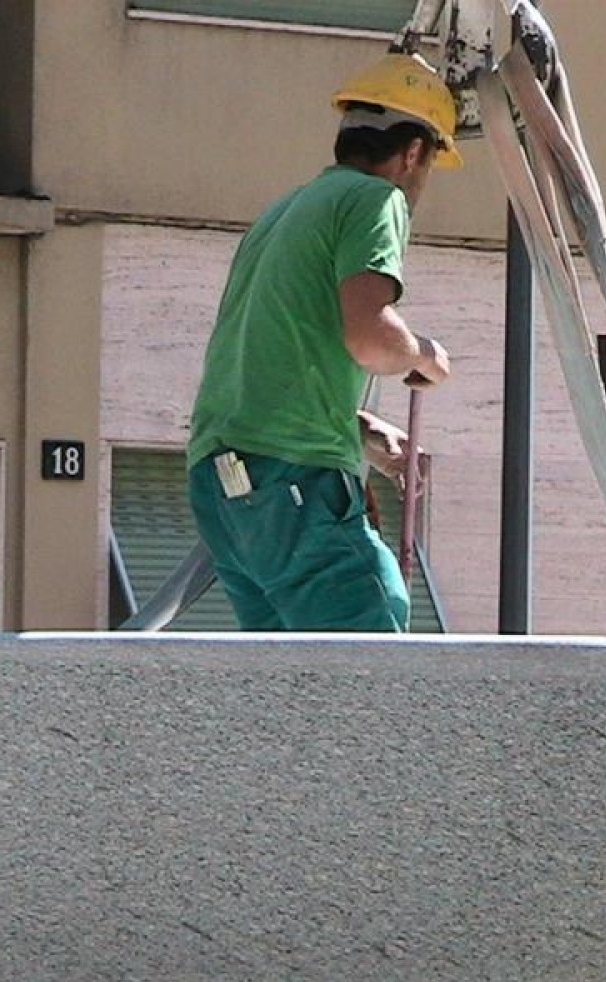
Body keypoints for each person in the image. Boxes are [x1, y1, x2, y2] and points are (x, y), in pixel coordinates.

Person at [186, 51, 460, 631]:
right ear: (413, 153)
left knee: (288, 687)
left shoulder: (284, 212)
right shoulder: (376, 199)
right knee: (371, 638)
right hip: (293, 481)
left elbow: (272, 357)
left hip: (224, 488)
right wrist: (424, 355)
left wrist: (359, 429)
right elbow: (370, 336)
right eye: (430, 162)